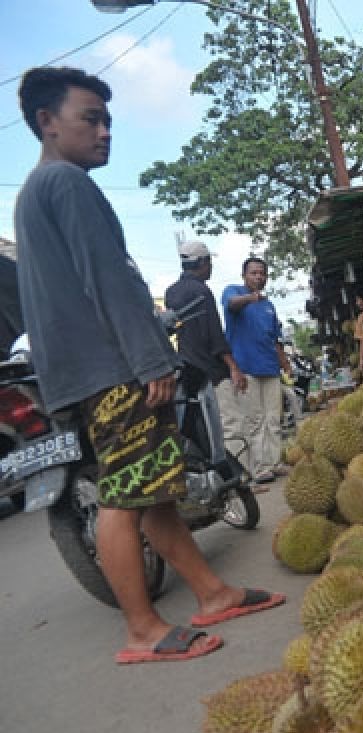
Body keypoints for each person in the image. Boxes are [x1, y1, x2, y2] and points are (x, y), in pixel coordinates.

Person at [13, 67, 282, 664]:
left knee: (152, 490)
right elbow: (107, 281)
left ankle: (212, 593)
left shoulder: (35, 192)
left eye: (109, 119)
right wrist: (146, 358)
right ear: (46, 122)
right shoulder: (65, 184)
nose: (106, 131)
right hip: (111, 371)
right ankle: (142, 629)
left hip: (90, 370)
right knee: (125, 496)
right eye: (91, 118)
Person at [164, 241, 248, 476]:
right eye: (209, 262)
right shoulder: (202, 291)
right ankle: (236, 478)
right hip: (209, 369)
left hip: (186, 368)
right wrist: (233, 367)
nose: (210, 267)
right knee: (228, 426)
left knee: (201, 427)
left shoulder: (172, 292)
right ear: (201, 263)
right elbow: (214, 335)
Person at [221, 257, 292, 484]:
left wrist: (286, 364)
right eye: (254, 273)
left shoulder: (269, 306)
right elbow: (231, 304)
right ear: (244, 275)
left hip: (270, 368)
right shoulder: (233, 292)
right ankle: (258, 466)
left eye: (262, 273)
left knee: (273, 418)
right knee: (255, 420)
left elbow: (276, 339)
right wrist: (251, 298)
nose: (258, 277)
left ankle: (274, 461)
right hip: (246, 368)